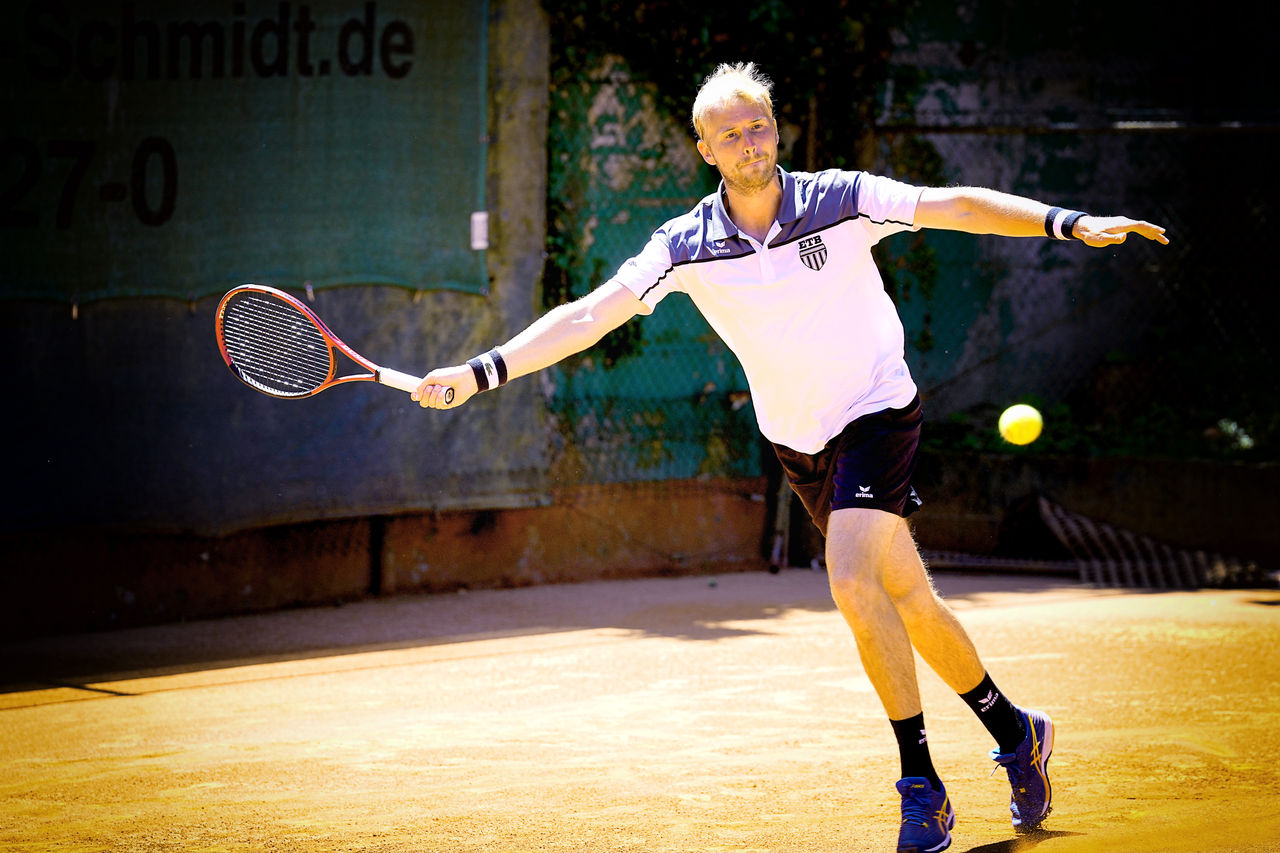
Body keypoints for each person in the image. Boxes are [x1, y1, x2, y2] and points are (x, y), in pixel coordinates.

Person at [412, 62, 1168, 853]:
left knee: (849, 578)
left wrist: (1066, 221)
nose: (749, 142)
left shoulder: (839, 198)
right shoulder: (684, 245)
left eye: (759, 125)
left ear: (777, 128)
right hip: (799, 439)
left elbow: (952, 206)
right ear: (705, 148)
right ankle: (1019, 734)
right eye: (730, 134)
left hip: (877, 408)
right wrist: (481, 370)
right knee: (907, 596)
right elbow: (591, 314)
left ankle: (922, 786)